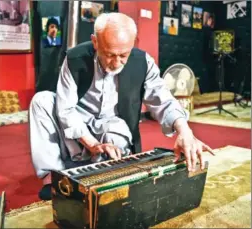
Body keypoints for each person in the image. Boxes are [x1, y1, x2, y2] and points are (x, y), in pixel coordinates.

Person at [29, 12, 215, 200]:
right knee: (42, 100)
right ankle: (53, 180)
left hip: (113, 129)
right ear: (95, 42)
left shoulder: (143, 62)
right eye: (109, 55)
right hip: (80, 123)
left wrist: (185, 131)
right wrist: (91, 143)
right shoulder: (74, 59)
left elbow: (163, 99)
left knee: (115, 130)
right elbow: (66, 110)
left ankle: (104, 174)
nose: (116, 63)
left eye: (123, 55)